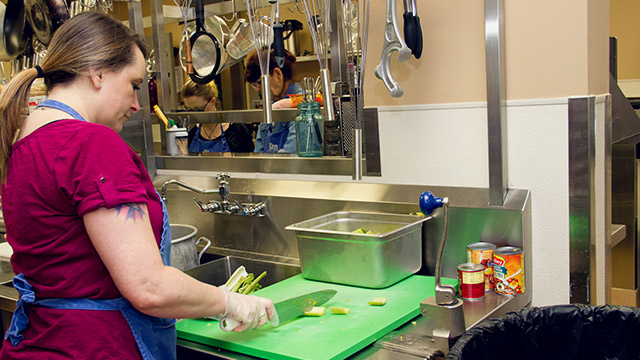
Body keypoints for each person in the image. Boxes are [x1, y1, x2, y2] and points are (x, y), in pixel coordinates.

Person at [0, 12, 276, 360]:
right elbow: (148, 286)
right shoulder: (91, 144)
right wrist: (229, 301)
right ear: (98, 73)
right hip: (97, 347)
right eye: (133, 84)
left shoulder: (23, 139)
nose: (135, 104)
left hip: (37, 343)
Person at [244, 49, 301, 153]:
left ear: (278, 74)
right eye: (254, 86)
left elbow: (291, 155)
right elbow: (259, 155)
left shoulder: (303, 105)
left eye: (260, 83)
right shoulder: (270, 108)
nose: (258, 90)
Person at [181, 79, 254, 153]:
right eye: (189, 109)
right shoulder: (192, 134)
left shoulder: (237, 131)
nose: (195, 114)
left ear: (213, 101)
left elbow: (251, 163)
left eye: (199, 109)